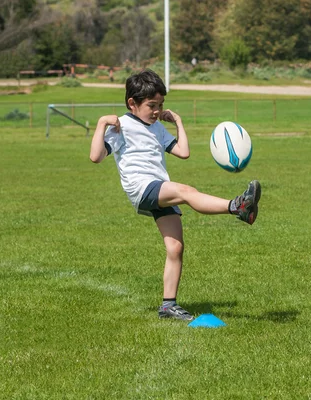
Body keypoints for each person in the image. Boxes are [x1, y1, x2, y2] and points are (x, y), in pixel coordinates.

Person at [89, 69, 261, 321]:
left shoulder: (157, 127)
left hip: (159, 186)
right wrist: (102, 123)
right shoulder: (120, 126)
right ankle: (237, 206)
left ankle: (168, 306)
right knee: (186, 191)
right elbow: (96, 157)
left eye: (161, 105)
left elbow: (183, 152)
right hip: (141, 187)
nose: (157, 110)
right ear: (132, 104)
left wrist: (178, 122)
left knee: (176, 247)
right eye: (151, 105)